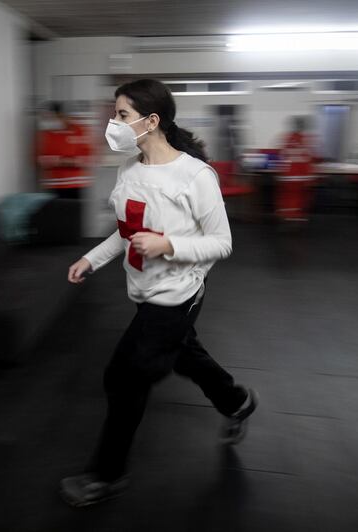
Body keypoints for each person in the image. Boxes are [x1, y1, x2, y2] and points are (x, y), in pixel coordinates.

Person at [59, 79, 258, 508]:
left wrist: (169, 245)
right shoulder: (128, 169)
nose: (113, 123)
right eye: (114, 114)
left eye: (122, 116)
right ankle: (237, 401)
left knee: (124, 378)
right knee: (184, 354)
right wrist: (92, 258)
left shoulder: (195, 176)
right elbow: (125, 231)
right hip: (144, 290)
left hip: (176, 295)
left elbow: (222, 242)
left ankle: (106, 475)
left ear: (152, 121)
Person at [36, 101, 94, 199]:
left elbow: (87, 159)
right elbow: (42, 160)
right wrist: (68, 161)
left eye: (58, 116)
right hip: (54, 184)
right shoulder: (47, 134)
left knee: (75, 213)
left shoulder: (79, 130)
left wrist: (61, 161)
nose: (56, 119)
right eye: (52, 117)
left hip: (77, 184)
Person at [276, 115, 316, 222]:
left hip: (288, 175)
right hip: (301, 175)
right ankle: (297, 216)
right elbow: (309, 158)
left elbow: (282, 155)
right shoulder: (307, 139)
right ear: (303, 127)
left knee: (288, 196)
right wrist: (310, 176)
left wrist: (281, 172)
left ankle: (287, 216)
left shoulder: (286, 138)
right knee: (300, 196)